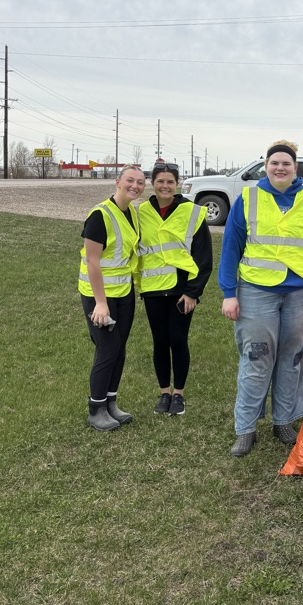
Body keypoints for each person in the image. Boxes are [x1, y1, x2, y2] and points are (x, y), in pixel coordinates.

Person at [219, 140, 303, 457]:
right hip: (256, 291)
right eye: (274, 162)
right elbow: (231, 247)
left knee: (293, 359)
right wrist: (229, 293)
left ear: (295, 168)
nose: (280, 168)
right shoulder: (248, 198)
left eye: (286, 163)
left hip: (302, 294)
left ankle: (284, 421)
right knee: (256, 358)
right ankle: (245, 429)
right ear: (266, 165)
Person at [137, 161, 213, 417]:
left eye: (170, 181)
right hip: (153, 288)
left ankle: (178, 395)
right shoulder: (141, 213)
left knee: (178, 340)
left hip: (182, 290)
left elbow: (203, 256)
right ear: (152, 183)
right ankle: (164, 392)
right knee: (160, 341)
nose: (165, 186)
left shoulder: (192, 212)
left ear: (177, 183)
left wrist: (193, 292)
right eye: (160, 181)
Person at [78, 164, 146, 431]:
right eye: (130, 180)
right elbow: (93, 262)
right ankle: (96, 409)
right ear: (118, 182)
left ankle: (111, 403)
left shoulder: (133, 214)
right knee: (107, 349)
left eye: (140, 182)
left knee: (119, 349)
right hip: (100, 297)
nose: (135, 186)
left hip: (124, 293)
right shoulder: (100, 215)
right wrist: (101, 303)